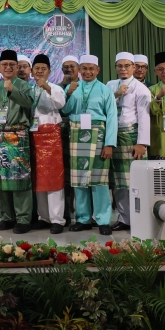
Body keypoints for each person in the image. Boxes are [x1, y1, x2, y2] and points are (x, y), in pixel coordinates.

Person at [62, 55, 117, 236]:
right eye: (84, 68)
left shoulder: (105, 90)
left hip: (99, 136)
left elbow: (112, 117)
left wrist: (109, 144)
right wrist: (68, 93)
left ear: (97, 70)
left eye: (91, 68)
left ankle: (103, 220)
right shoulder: (73, 87)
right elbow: (66, 110)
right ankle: (83, 219)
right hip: (77, 135)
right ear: (79, 70)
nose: (87, 72)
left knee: (99, 180)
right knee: (79, 180)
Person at [0, 49, 35, 234]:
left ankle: (23, 219)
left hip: (18, 135)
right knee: (3, 179)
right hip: (0, 136)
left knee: (20, 178)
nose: (8, 67)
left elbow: (29, 103)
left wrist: (12, 90)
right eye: (4, 64)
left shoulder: (24, 86)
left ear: (17, 67)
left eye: (11, 64)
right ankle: (7, 217)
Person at [106, 52, 150, 230]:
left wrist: (142, 143)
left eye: (127, 66)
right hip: (114, 136)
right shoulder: (110, 85)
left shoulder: (141, 88)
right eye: (120, 66)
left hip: (132, 137)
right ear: (115, 67)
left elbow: (144, 116)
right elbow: (104, 105)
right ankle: (124, 219)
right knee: (119, 182)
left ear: (133, 67)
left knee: (135, 181)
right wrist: (116, 94)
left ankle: (140, 219)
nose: (123, 69)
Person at [29, 54, 67, 233]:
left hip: (51, 137)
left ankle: (57, 219)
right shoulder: (29, 90)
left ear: (49, 71)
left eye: (43, 69)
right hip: (34, 136)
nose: (39, 71)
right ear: (31, 71)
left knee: (53, 178)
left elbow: (60, 104)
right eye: (36, 68)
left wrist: (46, 87)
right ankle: (43, 217)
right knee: (39, 179)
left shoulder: (55, 88)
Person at [59, 54, 80, 225]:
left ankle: (84, 216)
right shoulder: (57, 88)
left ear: (78, 69)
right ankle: (65, 214)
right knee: (65, 178)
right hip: (62, 136)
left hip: (82, 136)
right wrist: (66, 92)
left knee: (81, 176)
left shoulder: (86, 85)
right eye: (66, 67)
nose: (69, 69)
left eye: (72, 66)